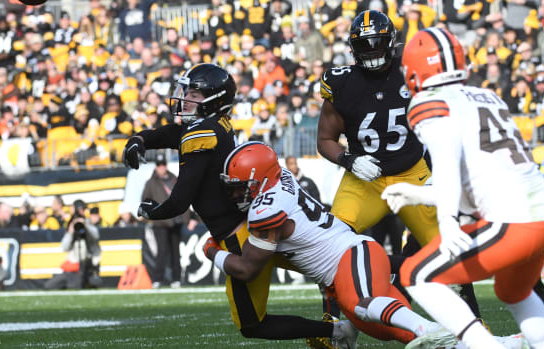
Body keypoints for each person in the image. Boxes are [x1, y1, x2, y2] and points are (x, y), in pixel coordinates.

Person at [122, 63, 354, 347]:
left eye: (193, 94)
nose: (184, 98)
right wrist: (140, 139)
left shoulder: (200, 134)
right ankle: (343, 302)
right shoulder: (216, 124)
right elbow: (173, 134)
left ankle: (338, 332)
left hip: (238, 238)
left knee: (252, 325)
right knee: (324, 266)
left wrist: (150, 211)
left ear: (213, 100)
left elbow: (180, 200)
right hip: (250, 225)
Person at [382, 27, 544, 349]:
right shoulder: (486, 95)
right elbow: (481, 178)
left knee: (416, 274)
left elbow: (447, 163)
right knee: (513, 291)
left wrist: (448, 223)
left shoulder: (428, 101)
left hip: (516, 219)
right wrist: (419, 193)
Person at [208, 142, 459, 348]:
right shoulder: (280, 177)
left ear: (261, 182)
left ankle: (428, 327)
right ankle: (485, 343)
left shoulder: (267, 210)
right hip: (347, 266)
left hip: (352, 255)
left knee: (362, 304)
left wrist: (211, 251)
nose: (235, 195)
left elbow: (246, 270)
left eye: (241, 188)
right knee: (393, 332)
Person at [317, 10, 481, 319]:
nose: (372, 51)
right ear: (353, 49)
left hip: (413, 174)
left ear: (390, 42)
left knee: (449, 252)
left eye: (377, 43)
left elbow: (443, 117)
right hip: (364, 180)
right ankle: (334, 327)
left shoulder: (411, 73)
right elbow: (325, 140)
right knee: (329, 246)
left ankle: (476, 328)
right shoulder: (341, 83)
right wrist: (349, 160)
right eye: (364, 46)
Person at [142, 153, 197, 289]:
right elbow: (145, 200)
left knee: (175, 252)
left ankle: (176, 279)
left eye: (163, 164)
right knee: (161, 251)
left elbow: (184, 198)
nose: (161, 167)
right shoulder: (151, 183)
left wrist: (191, 217)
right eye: (159, 165)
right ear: (156, 167)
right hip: (161, 222)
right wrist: (151, 214)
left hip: (176, 221)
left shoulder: (174, 179)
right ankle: (158, 279)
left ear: (165, 165)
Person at [45, 200, 102, 289]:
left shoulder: (88, 223)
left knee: (92, 283)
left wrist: (85, 225)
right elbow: (64, 247)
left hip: (87, 267)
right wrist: (71, 232)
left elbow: (96, 236)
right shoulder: (70, 224)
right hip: (72, 269)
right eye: (81, 209)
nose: (82, 212)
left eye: (83, 209)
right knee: (50, 286)